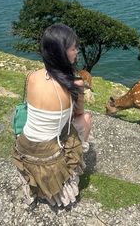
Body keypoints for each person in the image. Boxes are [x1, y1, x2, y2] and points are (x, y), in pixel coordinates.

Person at [12, 24, 91, 209]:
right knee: (86, 119)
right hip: (48, 156)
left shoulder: (32, 76)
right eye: (73, 48)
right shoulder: (75, 83)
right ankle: (66, 175)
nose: (76, 52)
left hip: (24, 148)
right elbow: (77, 114)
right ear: (62, 53)